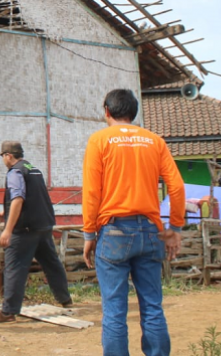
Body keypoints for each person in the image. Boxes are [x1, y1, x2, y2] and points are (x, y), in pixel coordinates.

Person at [82, 89, 185, 356]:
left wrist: (89, 234)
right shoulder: (154, 141)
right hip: (151, 231)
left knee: (115, 310)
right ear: (134, 111)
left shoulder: (99, 140)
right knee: (152, 306)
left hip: (114, 230)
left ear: (106, 111)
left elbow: (92, 193)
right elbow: (176, 187)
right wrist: (175, 228)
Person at [0, 141, 72, 323]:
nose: (3, 160)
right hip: (43, 226)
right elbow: (34, 197)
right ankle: (65, 299)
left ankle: (8, 312)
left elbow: (18, 199)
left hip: (24, 229)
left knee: (14, 267)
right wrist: (6, 213)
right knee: (52, 264)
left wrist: (7, 230)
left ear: (8, 155)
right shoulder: (33, 169)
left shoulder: (15, 172)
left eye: (2, 156)